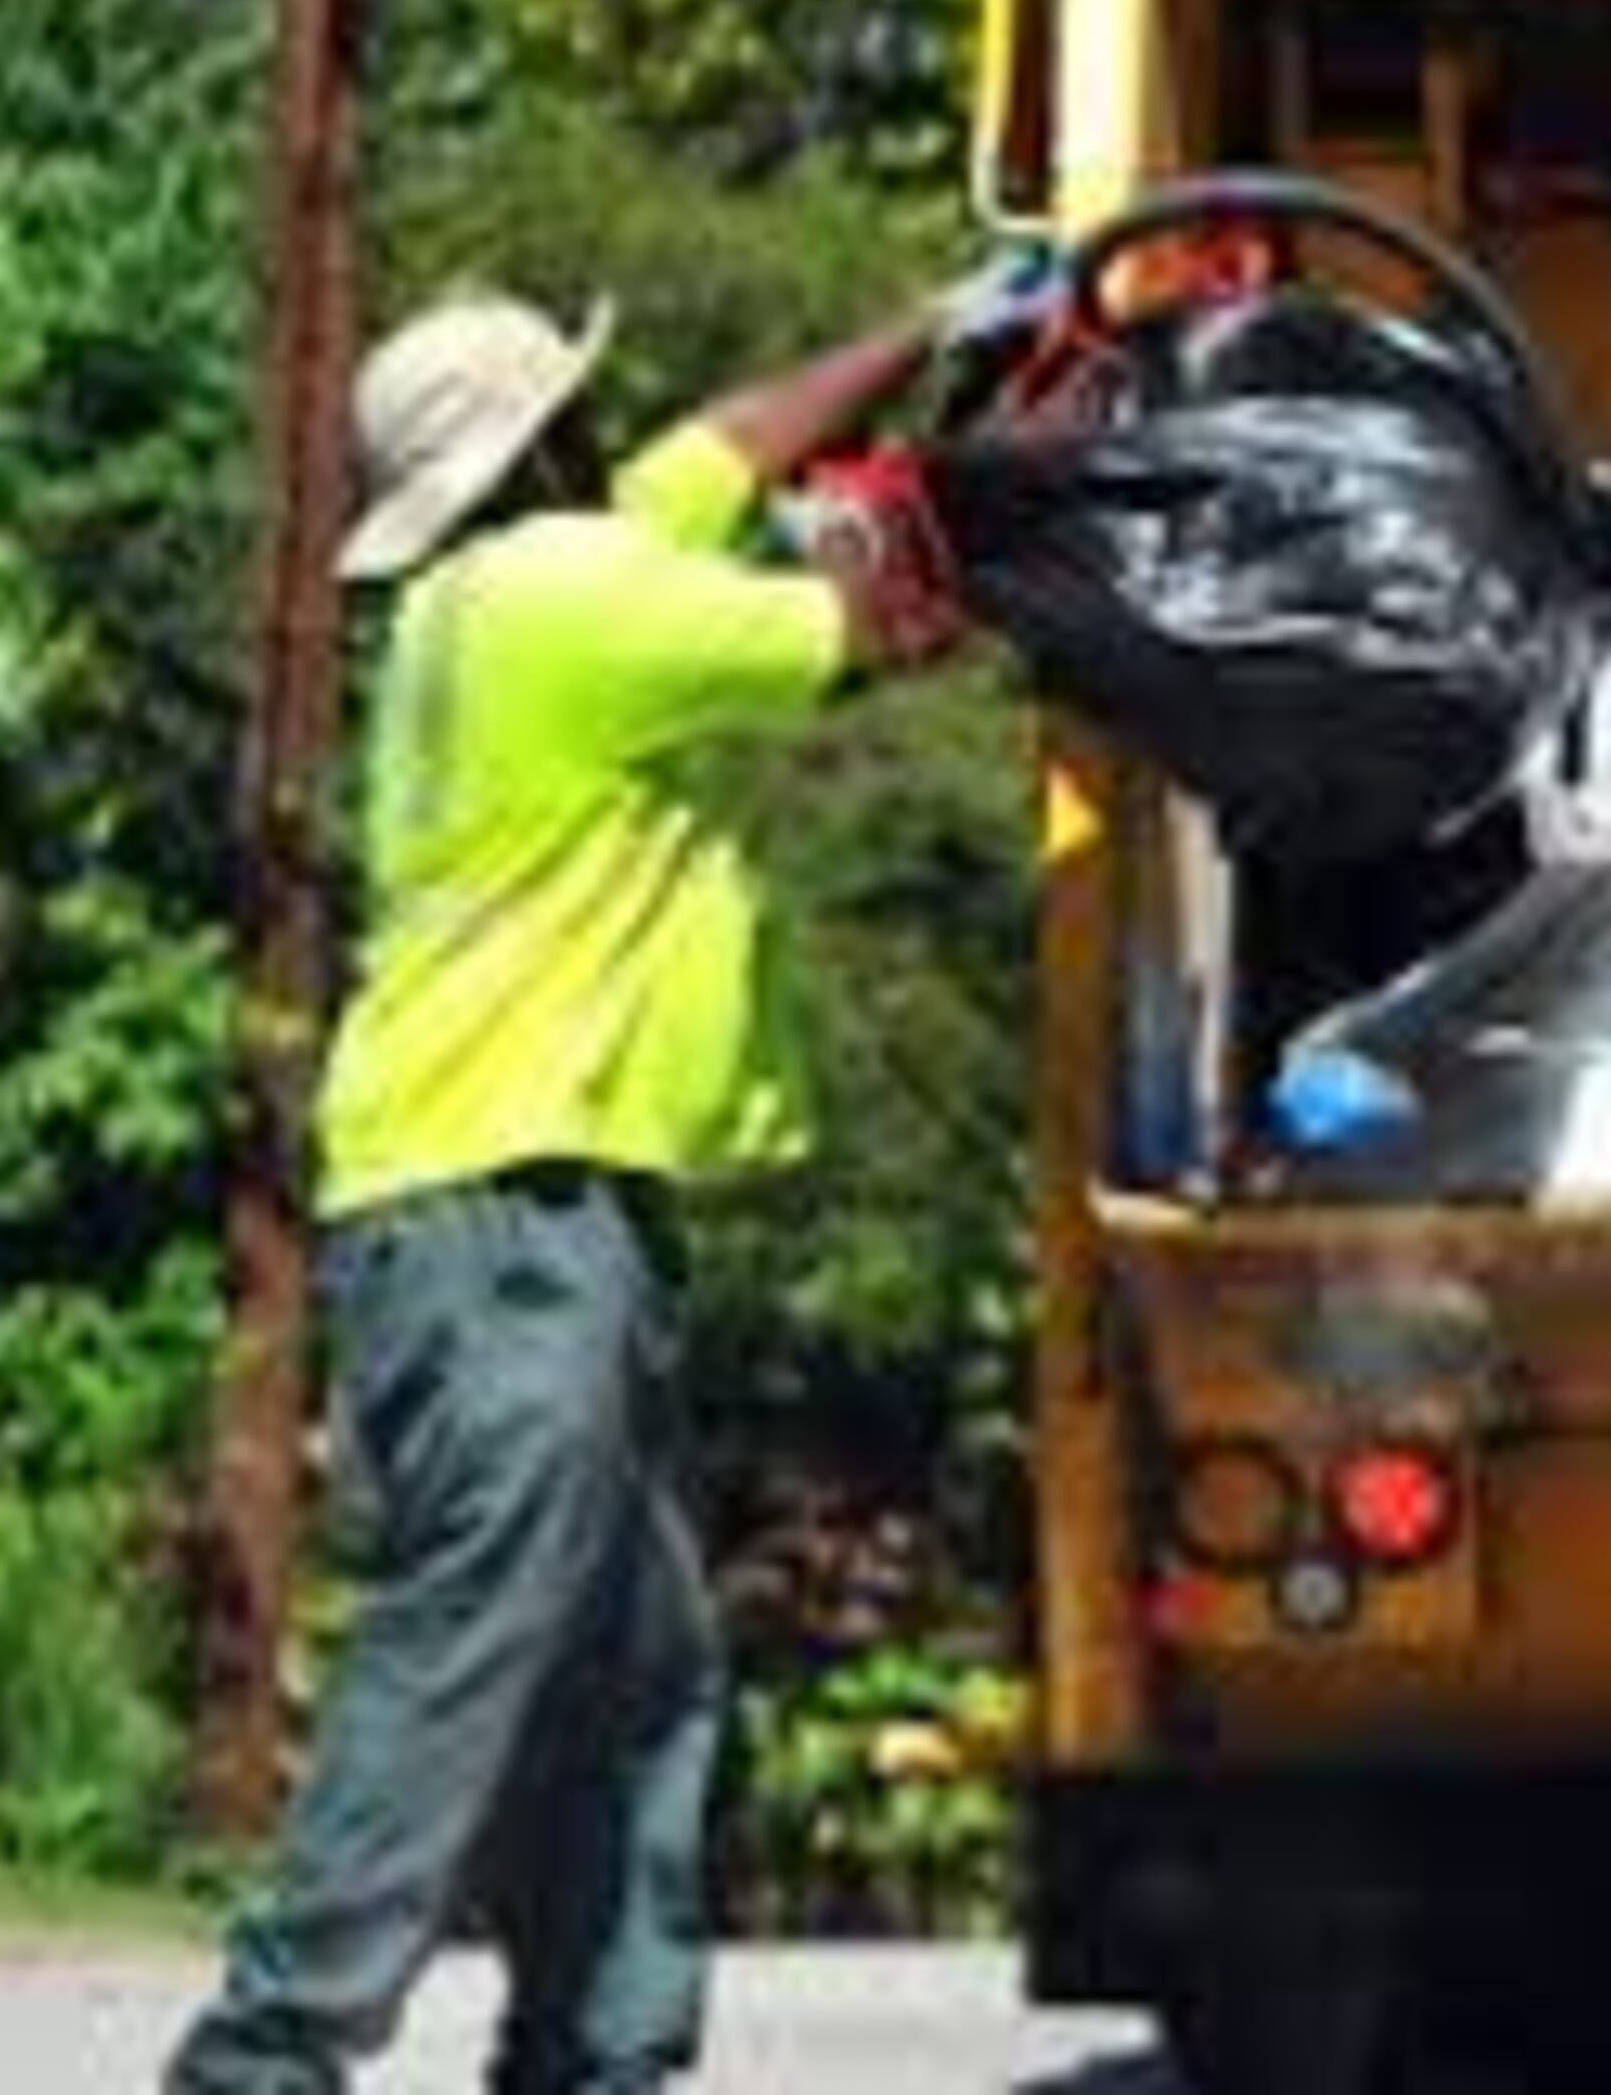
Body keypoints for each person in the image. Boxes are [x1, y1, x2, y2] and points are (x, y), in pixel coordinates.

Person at [167, 263, 1044, 2095]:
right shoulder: (571, 600)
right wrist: (1041, 469)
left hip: (525, 1215)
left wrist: (935, 324)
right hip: (504, 1209)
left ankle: (594, 2064)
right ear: (547, 435)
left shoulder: (493, 595)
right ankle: (264, 2062)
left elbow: (722, 449)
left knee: (633, 1682)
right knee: (475, 1632)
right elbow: (878, 615)